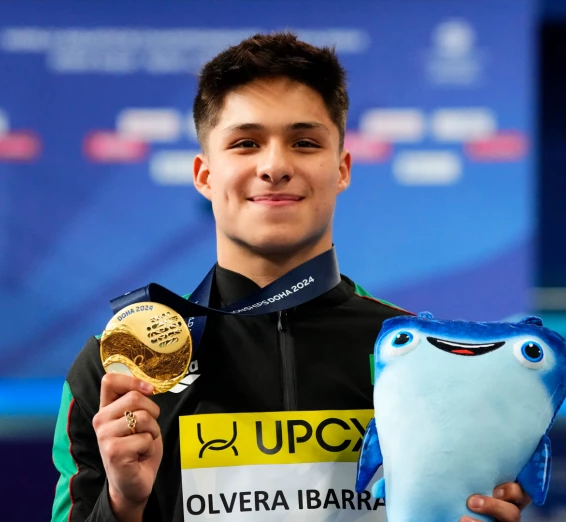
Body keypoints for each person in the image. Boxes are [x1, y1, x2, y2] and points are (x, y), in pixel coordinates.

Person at [50, 32, 532, 522]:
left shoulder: (422, 358)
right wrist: (122, 505)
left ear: (341, 168)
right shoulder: (120, 369)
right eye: (245, 143)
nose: (275, 166)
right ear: (204, 175)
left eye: (304, 142)